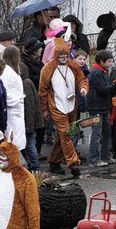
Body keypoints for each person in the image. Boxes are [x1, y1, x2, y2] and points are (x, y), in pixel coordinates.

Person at [38, 34, 89, 178]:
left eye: (65, 55)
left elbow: (82, 79)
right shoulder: (47, 69)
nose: (63, 58)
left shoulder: (73, 66)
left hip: (72, 105)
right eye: (60, 55)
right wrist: (45, 109)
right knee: (66, 133)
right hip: (56, 106)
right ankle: (73, 163)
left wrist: (83, 88)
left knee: (63, 136)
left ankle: (54, 161)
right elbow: (42, 91)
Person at [87, 50, 116, 168]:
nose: (111, 64)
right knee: (97, 133)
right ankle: (94, 159)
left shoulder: (104, 71)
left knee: (107, 132)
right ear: (101, 61)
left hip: (104, 107)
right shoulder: (96, 73)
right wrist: (114, 84)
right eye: (109, 61)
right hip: (96, 108)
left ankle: (105, 156)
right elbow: (102, 89)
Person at [1, 46, 26, 151]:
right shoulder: (7, 72)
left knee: (17, 140)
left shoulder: (14, 71)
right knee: (13, 140)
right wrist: (18, 99)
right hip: (13, 110)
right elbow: (5, 92)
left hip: (17, 110)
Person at [20, 62, 44, 172]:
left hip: (29, 121)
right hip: (31, 120)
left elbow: (29, 105)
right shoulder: (28, 82)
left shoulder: (25, 84)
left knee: (29, 144)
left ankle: (34, 166)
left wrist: (29, 123)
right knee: (30, 143)